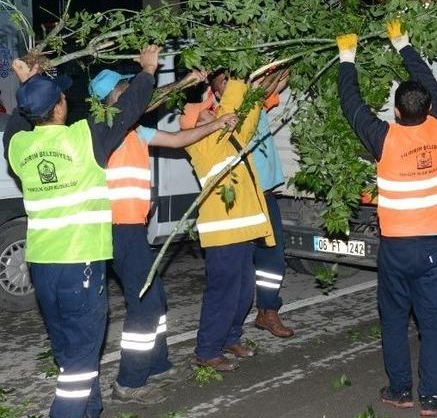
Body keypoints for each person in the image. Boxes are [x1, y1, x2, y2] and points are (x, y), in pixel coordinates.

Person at [3, 45, 161, 418]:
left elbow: (16, 122)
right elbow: (128, 110)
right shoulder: (83, 139)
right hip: (81, 268)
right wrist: (148, 71)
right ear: (60, 106)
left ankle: (91, 411)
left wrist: (28, 83)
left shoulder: (19, 148)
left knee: (68, 352)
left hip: (41, 266)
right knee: (80, 364)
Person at [87, 69, 237, 403]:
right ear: (115, 97)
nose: (135, 95)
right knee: (146, 304)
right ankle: (130, 382)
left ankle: (157, 364)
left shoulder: (135, 130)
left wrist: (216, 123)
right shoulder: (105, 133)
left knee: (156, 298)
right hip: (118, 230)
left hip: (132, 230)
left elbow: (177, 139)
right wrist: (177, 82)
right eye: (127, 89)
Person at [336, 21, 437, 417]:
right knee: (433, 324)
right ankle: (431, 398)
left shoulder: (385, 138)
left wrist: (347, 59)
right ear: (428, 109)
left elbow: (351, 106)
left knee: (394, 320)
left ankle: (401, 390)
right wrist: (403, 44)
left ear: (397, 111)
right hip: (434, 248)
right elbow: (429, 83)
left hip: (398, 251)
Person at [218, 0, 296, 338]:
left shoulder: (253, 98)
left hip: (262, 184)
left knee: (271, 252)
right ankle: (233, 328)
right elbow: (268, 85)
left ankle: (266, 310)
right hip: (245, 186)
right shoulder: (234, 102)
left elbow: (274, 86)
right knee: (244, 258)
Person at [180, 76, 275, 371]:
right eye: (208, 111)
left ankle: (230, 338)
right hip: (223, 234)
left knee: (244, 291)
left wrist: (265, 80)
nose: (216, 111)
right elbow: (235, 104)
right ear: (196, 124)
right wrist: (237, 76)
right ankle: (207, 350)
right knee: (223, 293)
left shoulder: (230, 138)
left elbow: (249, 107)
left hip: (242, 231)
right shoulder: (203, 144)